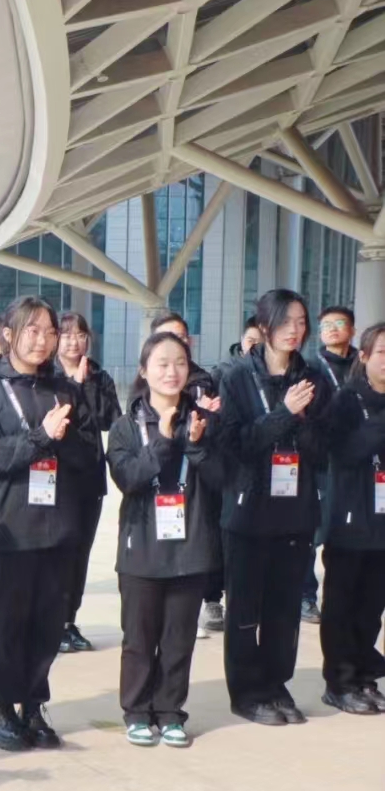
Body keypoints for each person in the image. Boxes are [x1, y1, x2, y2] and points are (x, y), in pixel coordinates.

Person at [0, 295, 98, 751]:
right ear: (9, 335)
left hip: (56, 525)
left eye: (50, 332)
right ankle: (2, 707)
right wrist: (41, 436)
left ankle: (34, 704)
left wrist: (62, 438)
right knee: (5, 622)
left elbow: (87, 455)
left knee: (47, 622)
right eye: (33, 330)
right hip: (7, 526)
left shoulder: (66, 391)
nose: (43, 340)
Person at [215, 289, 333, 726]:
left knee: (284, 610)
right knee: (245, 610)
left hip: (296, 511)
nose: (295, 331)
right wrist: (283, 413)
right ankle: (247, 692)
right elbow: (236, 446)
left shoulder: (314, 378)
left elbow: (323, 451)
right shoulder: (236, 378)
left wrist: (302, 421)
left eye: (301, 322)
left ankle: (276, 685)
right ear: (264, 326)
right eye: (285, 322)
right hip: (248, 512)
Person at [107, 331, 224, 748]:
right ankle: (137, 711)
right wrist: (164, 439)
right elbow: (128, 478)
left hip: (191, 547)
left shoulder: (205, 421)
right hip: (141, 548)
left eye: (180, 363)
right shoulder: (125, 427)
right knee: (139, 639)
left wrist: (196, 445)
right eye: (162, 363)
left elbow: (222, 480)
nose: (172, 371)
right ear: (144, 370)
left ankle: (171, 712)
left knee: (179, 639)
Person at [316, 322, 385, 714]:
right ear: (364, 356)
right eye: (382, 352)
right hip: (349, 520)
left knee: (371, 607)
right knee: (342, 606)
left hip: (382, 523)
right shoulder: (346, 399)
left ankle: (363, 676)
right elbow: (344, 452)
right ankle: (339, 682)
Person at [151, 312, 226, 638]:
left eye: (181, 337)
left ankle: (206, 601)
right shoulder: (144, 388)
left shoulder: (204, 382)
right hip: (159, 481)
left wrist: (207, 420)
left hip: (196, 479)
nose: (174, 343)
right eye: (166, 336)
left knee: (200, 538)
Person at [55, 311, 120, 654]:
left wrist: (87, 386)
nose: (74, 342)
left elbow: (110, 420)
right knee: (58, 551)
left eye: (80, 335)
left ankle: (68, 621)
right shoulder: (48, 376)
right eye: (67, 335)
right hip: (55, 479)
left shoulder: (100, 376)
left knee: (80, 552)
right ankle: (52, 620)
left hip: (89, 478)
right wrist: (75, 388)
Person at [300, 306, 359, 624]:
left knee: (351, 531)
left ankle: (346, 596)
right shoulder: (310, 368)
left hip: (358, 460)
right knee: (313, 530)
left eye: (339, 323)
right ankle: (306, 597)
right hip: (321, 461)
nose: (332, 328)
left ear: (352, 330)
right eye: (326, 325)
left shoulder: (364, 365)